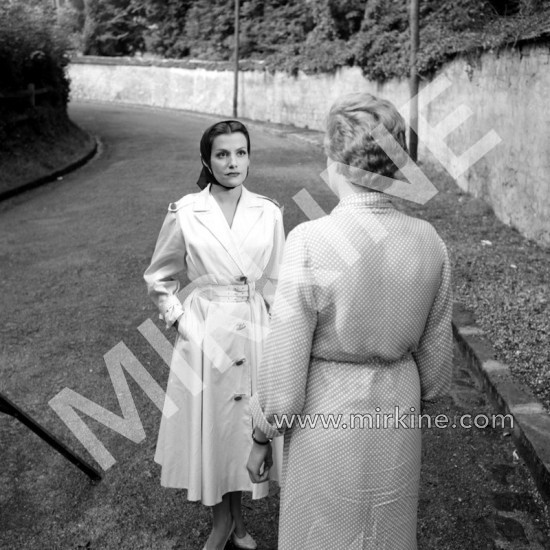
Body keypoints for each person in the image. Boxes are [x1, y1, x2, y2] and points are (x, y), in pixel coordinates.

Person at [247, 93, 453, 550]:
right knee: (386, 533)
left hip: (328, 413)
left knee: (322, 533)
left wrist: (262, 435)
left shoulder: (310, 242)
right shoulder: (429, 242)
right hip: (397, 412)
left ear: (334, 161)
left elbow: (283, 376)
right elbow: (437, 375)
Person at [144, 120, 285, 550]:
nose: (233, 162)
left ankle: (239, 521)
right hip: (205, 336)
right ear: (207, 160)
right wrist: (181, 320)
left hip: (254, 329)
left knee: (244, 430)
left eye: (241, 153)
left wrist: (280, 333)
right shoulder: (185, 212)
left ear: (250, 157)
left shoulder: (269, 211)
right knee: (214, 428)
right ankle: (222, 523)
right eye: (223, 154)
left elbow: (277, 281)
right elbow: (160, 278)